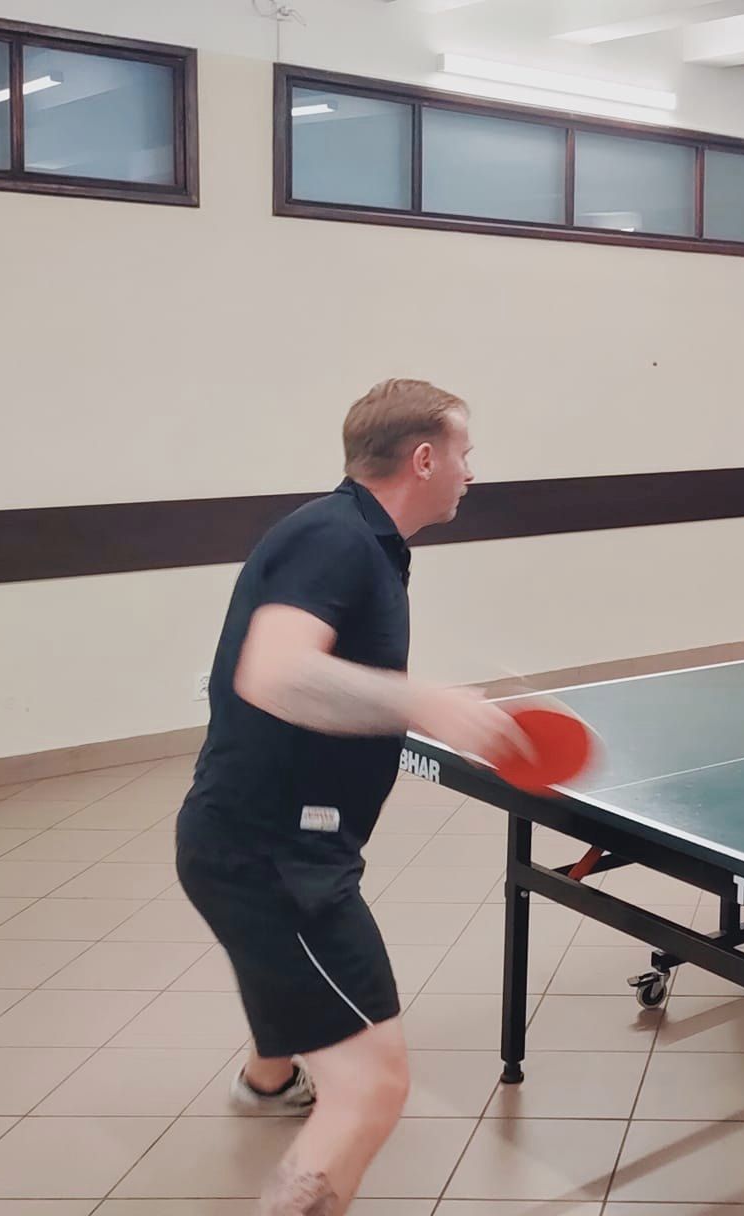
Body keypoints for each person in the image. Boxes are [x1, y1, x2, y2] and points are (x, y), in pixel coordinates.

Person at [175, 380, 530, 1216]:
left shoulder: (354, 536)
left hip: (258, 839)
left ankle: (268, 1082)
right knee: (373, 1085)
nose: (472, 472)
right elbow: (274, 672)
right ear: (424, 458)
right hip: (274, 860)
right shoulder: (334, 539)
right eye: (466, 454)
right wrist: (422, 702)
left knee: (286, 973)